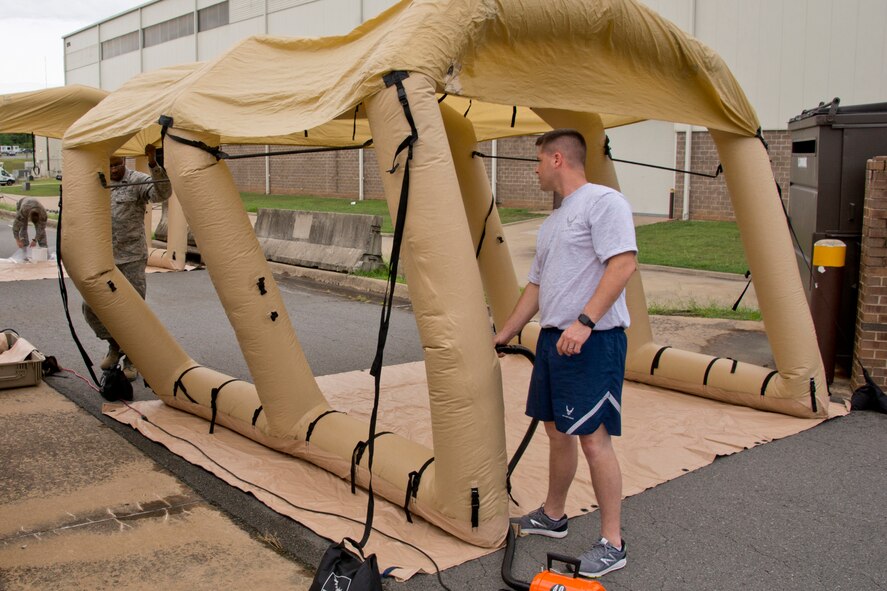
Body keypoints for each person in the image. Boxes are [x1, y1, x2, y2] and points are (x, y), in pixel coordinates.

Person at [493, 129, 637, 578]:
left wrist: (585, 322)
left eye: (537, 161)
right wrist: (505, 333)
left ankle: (613, 542)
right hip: (557, 342)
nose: (535, 170)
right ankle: (554, 516)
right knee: (558, 432)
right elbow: (536, 286)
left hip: (593, 341)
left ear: (557, 159)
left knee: (594, 439)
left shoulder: (603, 202)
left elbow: (623, 264)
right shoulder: (554, 221)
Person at [83, 145, 172, 381]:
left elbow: (162, 194)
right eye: (109, 165)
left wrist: (154, 165)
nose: (113, 170)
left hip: (131, 257)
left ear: (125, 162)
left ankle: (133, 359)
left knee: (134, 310)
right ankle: (115, 345)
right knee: (91, 307)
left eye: (117, 165)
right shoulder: (98, 180)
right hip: (104, 256)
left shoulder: (137, 180)